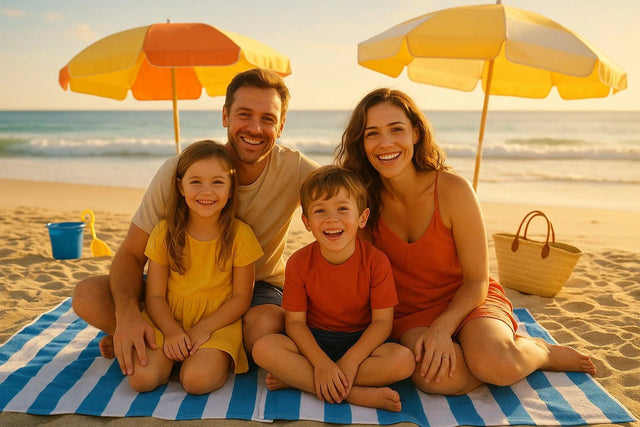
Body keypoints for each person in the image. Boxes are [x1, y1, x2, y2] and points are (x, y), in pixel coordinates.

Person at [335, 88, 596, 396]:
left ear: (416, 133)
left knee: (498, 365)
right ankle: (476, 355)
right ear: (361, 143)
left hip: (469, 300)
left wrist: (443, 329)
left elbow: (476, 280)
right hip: (409, 314)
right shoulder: (361, 201)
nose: (386, 143)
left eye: (396, 129)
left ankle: (540, 352)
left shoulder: (454, 190)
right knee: (436, 378)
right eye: (372, 134)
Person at [72, 68, 318, 377]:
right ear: (225, 115)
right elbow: (132, 254)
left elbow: (346, 197)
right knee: (87, 294)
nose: (255, 128)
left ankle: (179, 347)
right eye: (244, 114)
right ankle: (147, 336)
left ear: (281, 125)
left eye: (267, 118)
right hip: (177, 291)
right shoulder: (180, 171)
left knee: (264, 326)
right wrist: (128, 316)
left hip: (254, 289)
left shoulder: (297, 169)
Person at [252, 166, 415, 412]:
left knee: (403, 361)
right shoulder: (298, 262)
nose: (331, 219)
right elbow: (295, 324)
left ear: (362, 217)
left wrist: (350, 361)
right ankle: (354, 394)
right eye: (320, 211)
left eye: (342, 209)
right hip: (314, 341)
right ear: (306, 222)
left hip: (361, 342)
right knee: (263, 348)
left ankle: (300, 380)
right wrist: (320, 364)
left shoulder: (376, 261)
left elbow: (382, 323)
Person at [127, 140, 262, 394]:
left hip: (217, 322)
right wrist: (171, 331)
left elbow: (242, 298)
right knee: (141, 379)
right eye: (196, 181)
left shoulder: (240, 236)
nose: (206, 191)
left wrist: (202, 329)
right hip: (167, 318)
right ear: (180, 186)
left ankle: (192, 361)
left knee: (196, 381)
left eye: (218, 182)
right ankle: (173, 357)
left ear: (231, 189)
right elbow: (154, 296)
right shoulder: (164, 232)